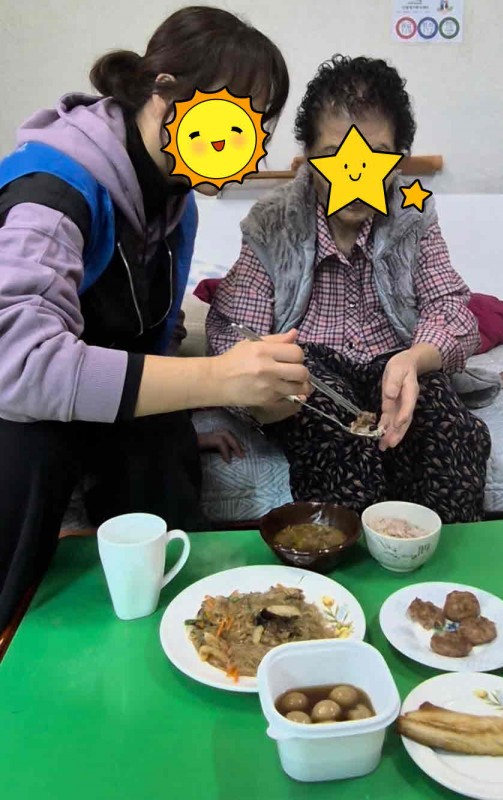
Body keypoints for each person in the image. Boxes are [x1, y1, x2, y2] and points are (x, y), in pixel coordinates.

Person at [0, 6, 312, 631]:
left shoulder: (175, 204)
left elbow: (153, 337)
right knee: (31, 448)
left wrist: (184, 409)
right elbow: (19, 364)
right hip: (23, 409)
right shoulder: (54, 188)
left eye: (259, 125)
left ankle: (178, 633)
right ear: (164, 91)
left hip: (96, 402)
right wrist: (216, 379)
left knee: (164, 445)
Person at [206, 55, 492, 520]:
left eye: (376, 154)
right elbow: (232, 333)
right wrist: (268, 392)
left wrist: (413, 360)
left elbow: (453, 310)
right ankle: (345, 566)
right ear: (308, 156)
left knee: (451, 433)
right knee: (339, 442)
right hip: (311, 369)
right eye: (336, 155)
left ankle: (439, 565)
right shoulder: (272, 222)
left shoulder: (413, 213)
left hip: (395, 362)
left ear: (397, 158)